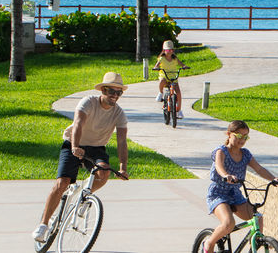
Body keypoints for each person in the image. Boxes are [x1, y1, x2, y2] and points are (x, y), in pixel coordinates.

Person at [32, 72, 131, 242]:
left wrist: (123, 167)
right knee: (62, 183)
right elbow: (78, 123)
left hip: (97, 148)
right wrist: (75, 146)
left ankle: (84, 195)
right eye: (111, 92)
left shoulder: (119, 113)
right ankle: (43, 225)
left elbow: (122, 141)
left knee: (104, 172)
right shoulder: (88, 102)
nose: (115, 96)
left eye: (118, 93)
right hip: (73, 142)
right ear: (103, 90)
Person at [199, 120, 278, 253]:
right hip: (218, 193)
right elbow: (219, 166)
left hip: (235, 194)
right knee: (229, 223)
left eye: (246, 137)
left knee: (258, 217)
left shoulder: (245, 154)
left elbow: (259, 168)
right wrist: (226, 175)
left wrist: (273, 179)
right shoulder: (221, 151)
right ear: (229, 134)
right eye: (239, 136)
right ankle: (209, 243)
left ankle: (254, 248)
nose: (242, 140)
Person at [152, 40, 189, 118]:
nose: (169, 52)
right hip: (164, 75)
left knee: (178, 93)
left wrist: (184, 66)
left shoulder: (175, 59)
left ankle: (178, 110)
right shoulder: (162, 58)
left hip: (173, 77)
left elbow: (181, 64)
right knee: (162, 81)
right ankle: (160, 93)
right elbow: (157, 65)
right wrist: (156, 68)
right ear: (164, 50)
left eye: (171, 50)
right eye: (167, 50)